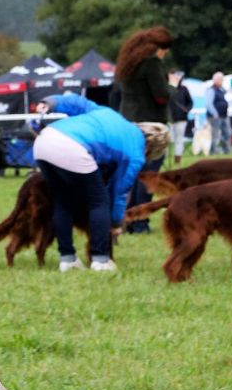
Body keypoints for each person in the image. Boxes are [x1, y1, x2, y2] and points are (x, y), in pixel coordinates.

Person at [33, 95, 170, 272]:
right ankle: (101, 260)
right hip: (73, 146)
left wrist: (52, 102)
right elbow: (119, 191)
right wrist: (115, 222)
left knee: (63, 201)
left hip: (45, 140)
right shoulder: (136, 152)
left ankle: (67, 258)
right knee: (98, 201)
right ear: (152, 147)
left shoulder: (108, 113)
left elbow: (78, 103)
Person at [115, 26, 174, 234]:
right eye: (165, 50)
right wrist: (173, 86)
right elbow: (160, 96)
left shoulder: (128, 64)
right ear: (158, 48)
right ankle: (140, 222)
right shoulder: (152, 63)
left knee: (130, 174)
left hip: (127, 123)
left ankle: (126, 218)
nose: (165, 54)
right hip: (150, 125)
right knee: (148, 175)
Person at [167, 70, 192, 165]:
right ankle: (164, 158)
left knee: (179, 139)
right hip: (169, 119)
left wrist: (187, 109)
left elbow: (190, 102)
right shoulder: (167, 89)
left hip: (181, 118)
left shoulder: (184, 89)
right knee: (168, 139)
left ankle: (178, 158)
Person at [205, 72, 232, 156]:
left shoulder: (222, 89)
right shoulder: (211, 90)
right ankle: (213, 152)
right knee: (215, 135)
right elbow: (209, 103)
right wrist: (215, 113)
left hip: (224, 115)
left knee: (227, 133)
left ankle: (227, 151)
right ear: (216, 80)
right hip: (215, 116)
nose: (222, 81)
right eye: (221, 79)